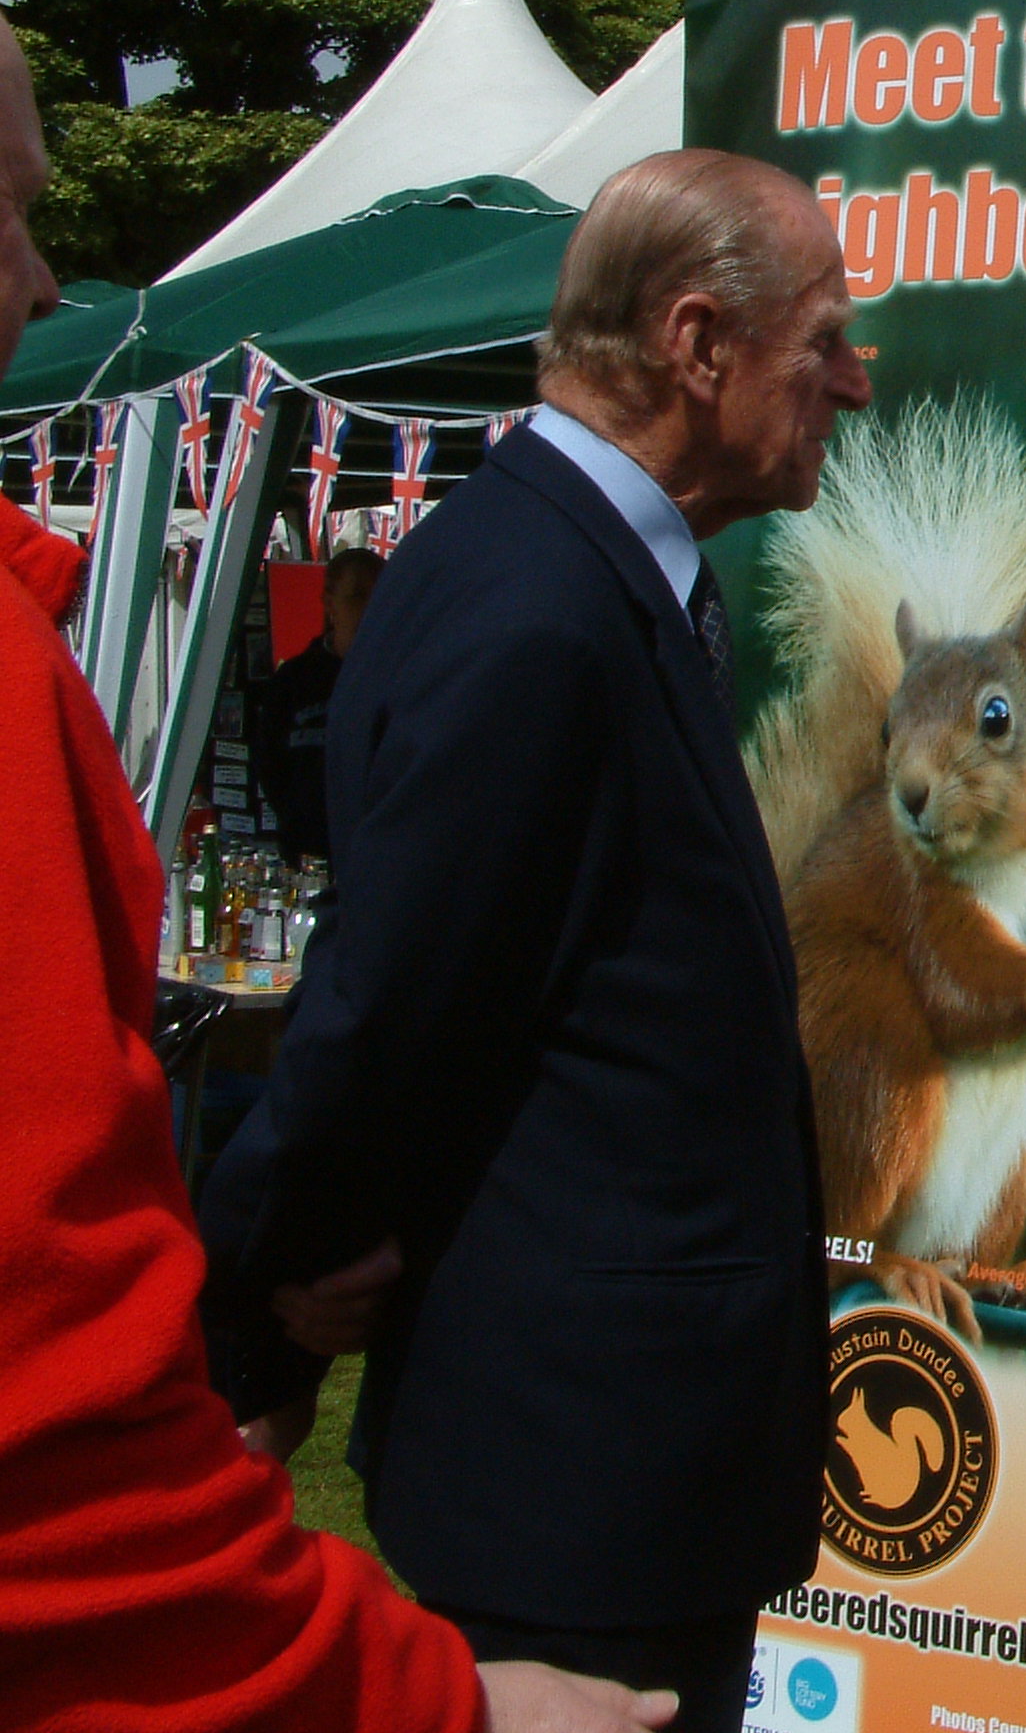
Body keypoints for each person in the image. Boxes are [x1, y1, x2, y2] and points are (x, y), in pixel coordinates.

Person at [0, 11, 671, 1729]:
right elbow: (47, 1426)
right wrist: (424, 1699)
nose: (42, 279)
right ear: (694, 341)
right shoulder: (535, 603)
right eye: (11, 210)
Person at [202, 148, 873, 1731]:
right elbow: (396, 1004)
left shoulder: (573, 571)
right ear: (698, 347)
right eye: (827, 336)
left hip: (622, 1455)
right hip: (580, 1481)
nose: (856, 378)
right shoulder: (536, 606)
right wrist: (270, 1295)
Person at [251, 546, 382, 863]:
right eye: (356, 596)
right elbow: (269, 765)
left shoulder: (402, 678)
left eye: (378, 596)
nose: (368, 609)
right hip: (309, 857)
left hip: (379, 860)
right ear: (330, 605)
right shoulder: (294, 681)